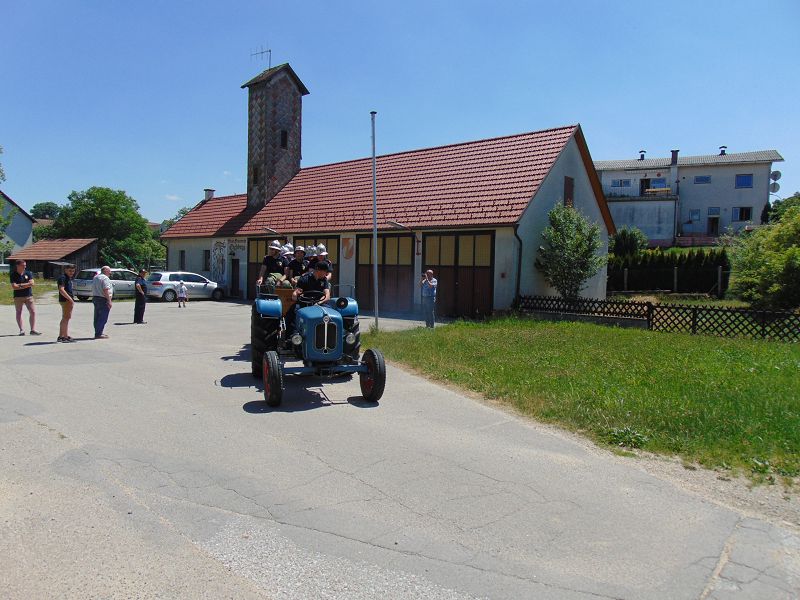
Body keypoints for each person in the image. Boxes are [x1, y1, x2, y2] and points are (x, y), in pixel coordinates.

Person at [286, 262, 332, 333]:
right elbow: (297, 292)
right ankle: (291, 337)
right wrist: (295, 294)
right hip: (304, 303)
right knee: (290, 315)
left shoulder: (324, 280)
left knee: (331, 313)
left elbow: (327, 296)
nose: (326, 274)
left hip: (319, 304)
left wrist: (319, 302)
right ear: (318, 271)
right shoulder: (304, 278)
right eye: (325, 271)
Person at [10, 259, 41, 336]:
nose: (25, 267)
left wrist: (20, 285)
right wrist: (26, 285)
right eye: (23, 265)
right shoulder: (13, 274)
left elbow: (32, 283)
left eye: (25, 265)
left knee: (33, 312)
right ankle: (21, 330)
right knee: (19, 312)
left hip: (28, 296)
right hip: (18, 297)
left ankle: (33, 330)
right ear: (18, 266)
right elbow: (14, 287)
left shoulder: (28, 273)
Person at [56, 264, 76, 342]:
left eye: (73, 271)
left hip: (67, 300)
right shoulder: (63, 278)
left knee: (66, 318)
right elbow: (61, 289)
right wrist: (70, 299)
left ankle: (61, 336)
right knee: (66, 318)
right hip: (66, 300)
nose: (71, 272)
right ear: (65, 270)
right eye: (70, 271)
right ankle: (64, 336)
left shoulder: (68, 278)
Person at [92, 266, 113, 339]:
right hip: (103, 299)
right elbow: (105, 289)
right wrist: (109, 301)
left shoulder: (96, 277)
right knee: (103, 317)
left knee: (97, 317)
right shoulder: (105, 278)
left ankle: (98, 332)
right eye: (109, 271)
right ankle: (99, 334)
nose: (110, 272)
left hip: (96, 298)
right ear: (105, 271)